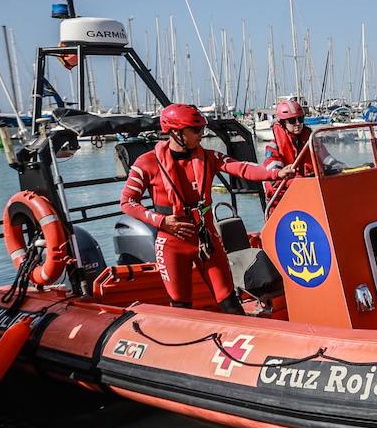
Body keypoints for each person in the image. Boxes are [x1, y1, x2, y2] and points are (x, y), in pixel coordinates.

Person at [121, 103, 295, 312]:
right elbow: (127, 202)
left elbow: (241, 168)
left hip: (206, 238)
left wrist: (276, 173)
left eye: (202, 129)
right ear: (175, 132)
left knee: (229, 301)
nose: (201, 134)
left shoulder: (209, 157)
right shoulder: (146, 163)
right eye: (195, 130)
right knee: (181, 305)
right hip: (171, 242)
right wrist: (161, 221)